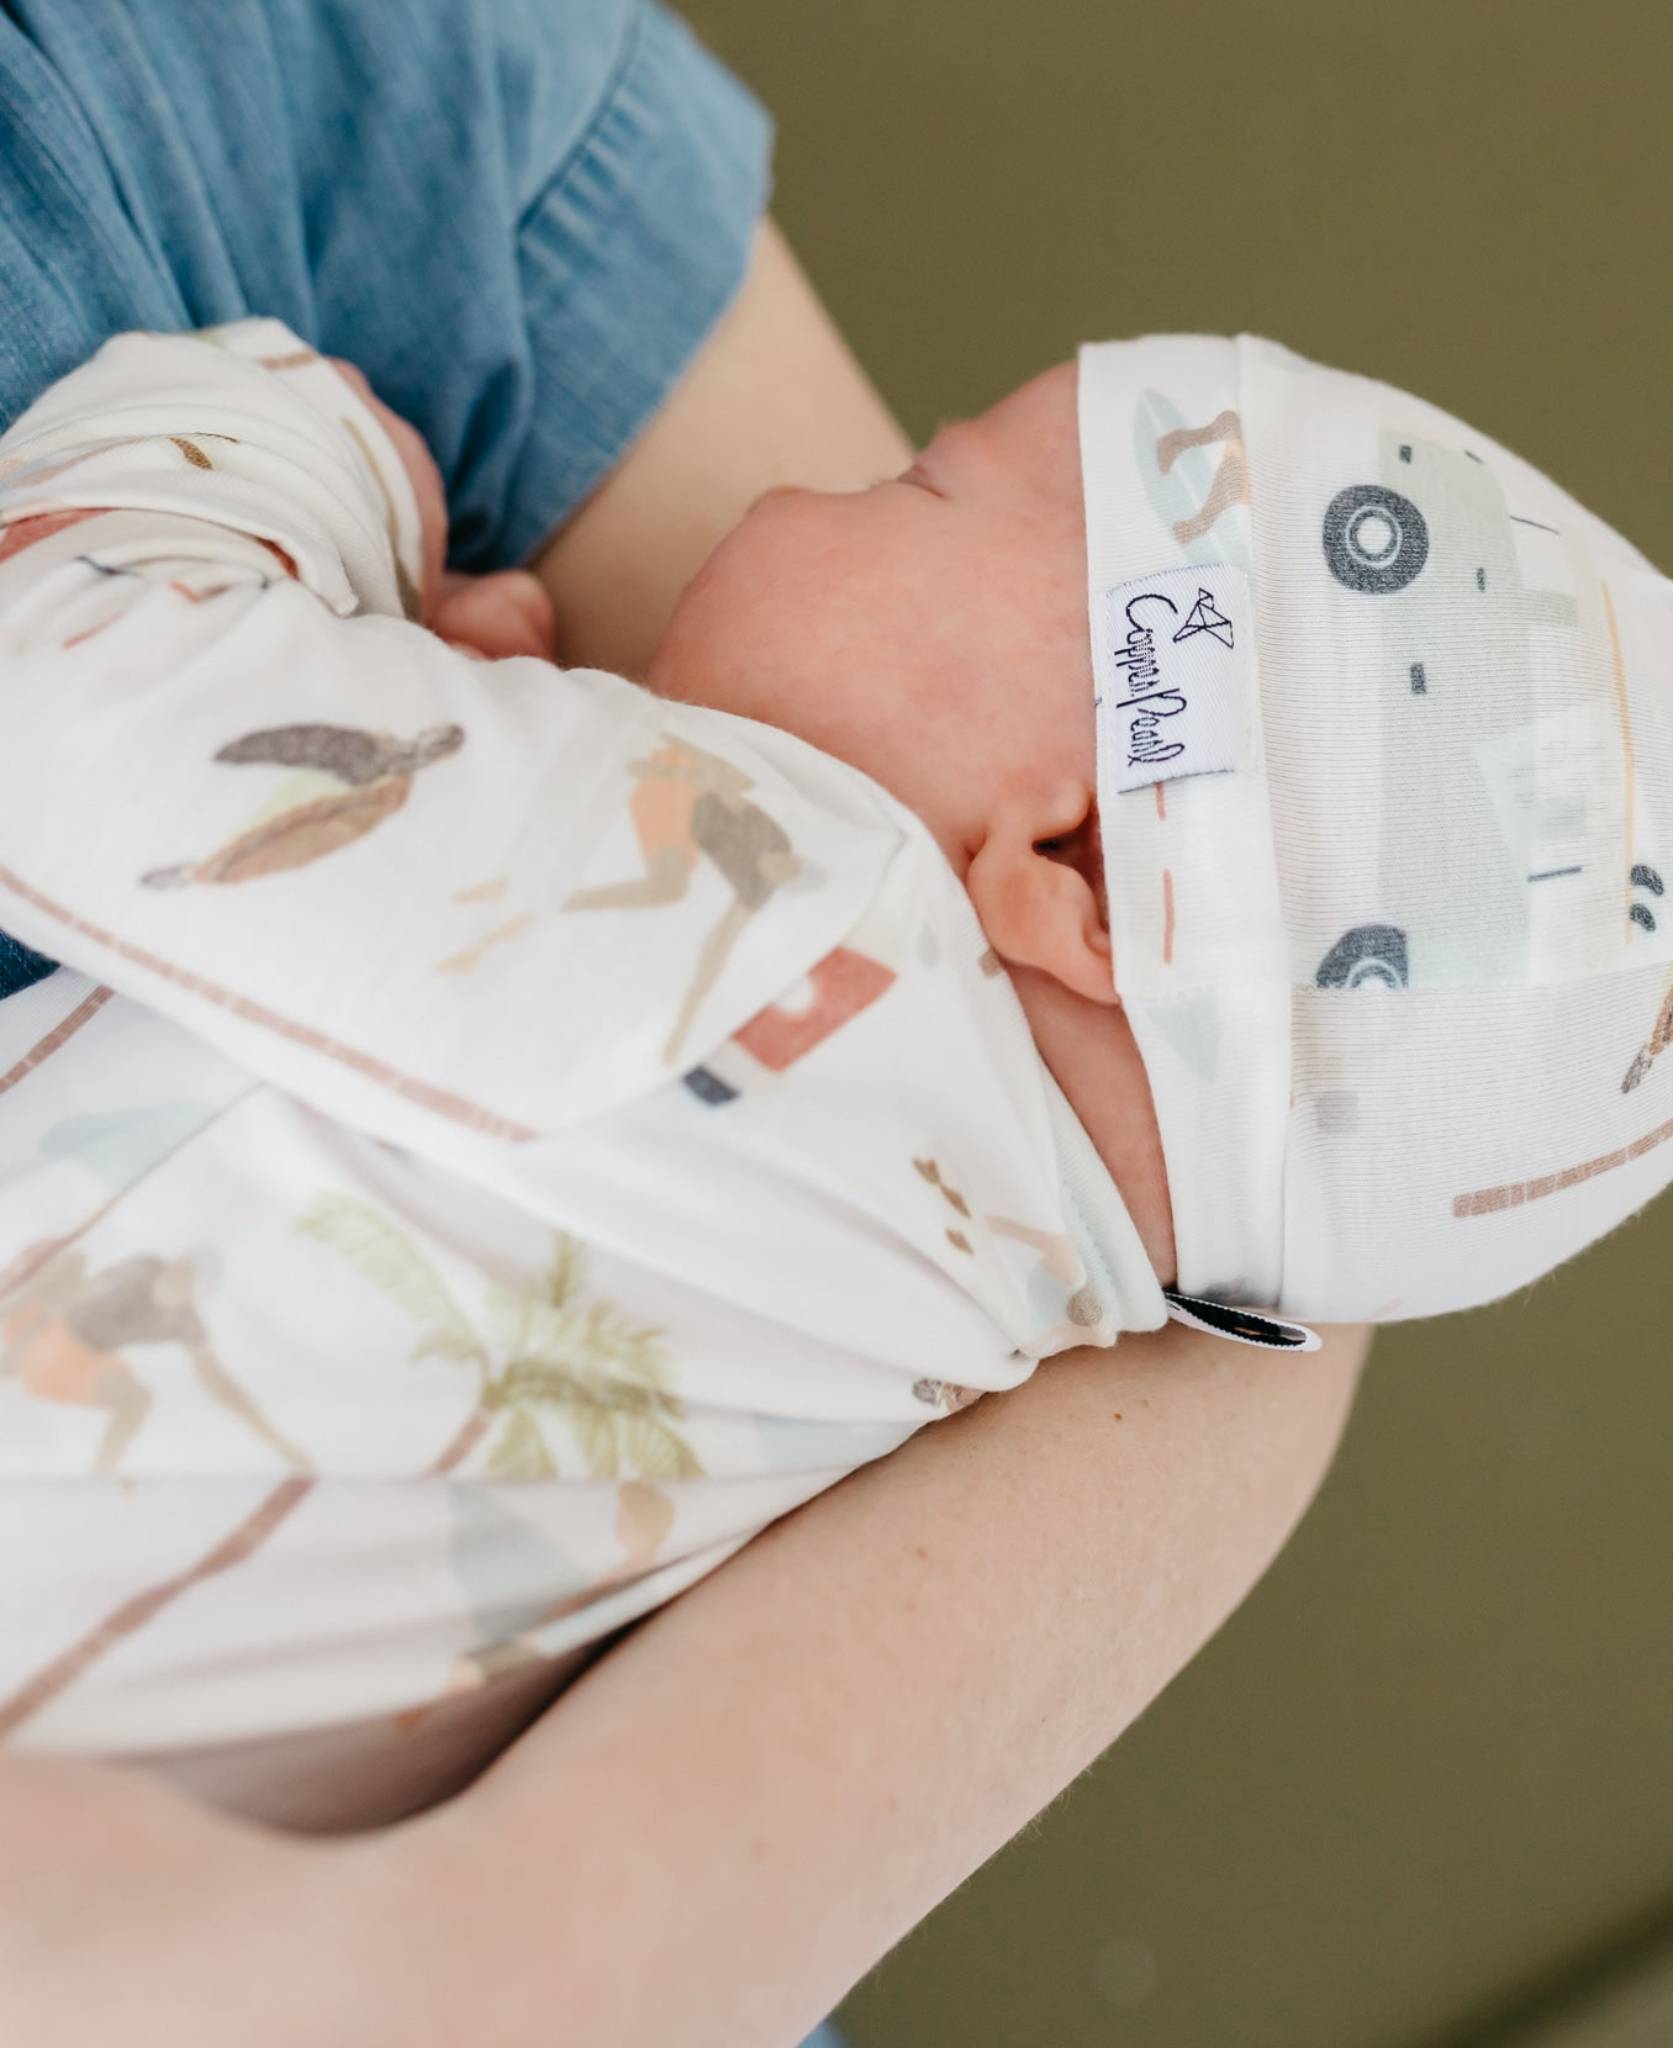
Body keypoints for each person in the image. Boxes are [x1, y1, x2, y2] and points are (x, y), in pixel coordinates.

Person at [0, 6, 1372, 2041]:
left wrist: (322, 482)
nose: (802, 505)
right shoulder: (1048, 1251)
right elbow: (1304, 1247)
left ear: (1062, 871)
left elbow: (59, 683)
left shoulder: (777, 913)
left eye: (914, 488)